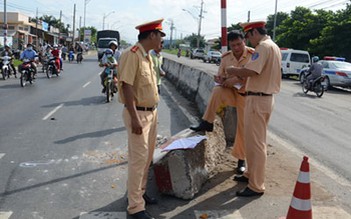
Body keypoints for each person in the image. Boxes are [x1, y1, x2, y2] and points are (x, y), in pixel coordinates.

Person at [226, 21, 281, 197]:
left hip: (258, 99)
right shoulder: (273, 46)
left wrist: (232, 69)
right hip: (261, 99)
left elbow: (252, 71)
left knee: (256, 144)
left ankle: (256, 185)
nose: (248, 40)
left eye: (248, 36)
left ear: (255, 32)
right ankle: (250, 174)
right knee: (252, 141)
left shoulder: (263, 47)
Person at [117, 18, 165, 219]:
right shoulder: (132, 55)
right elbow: (126, 85)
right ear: (152, 35)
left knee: (146, 159)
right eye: (160, 36)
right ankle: (135, 207)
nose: (162, 40)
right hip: (139, 114)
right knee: (138, 160)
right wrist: (135, 118)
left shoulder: (147, 57)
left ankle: (140, 194)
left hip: (151, 113)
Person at [190, 30, 255, 174]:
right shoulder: (226, 57)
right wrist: (220, 79)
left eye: (239, 44)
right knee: (217, 91)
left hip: (246, 95)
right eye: (233, 46)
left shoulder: (252, 55)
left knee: (242, 128)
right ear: (230, 46)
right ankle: (207, 121)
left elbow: (253, 75)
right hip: (231, 92)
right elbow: (221, 75)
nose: (237, 48)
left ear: (244, 41)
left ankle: (240, 160)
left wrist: (236, 79)